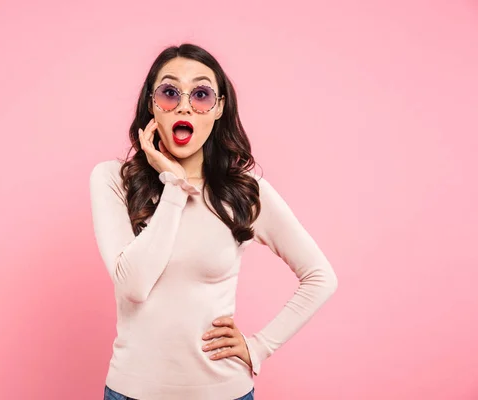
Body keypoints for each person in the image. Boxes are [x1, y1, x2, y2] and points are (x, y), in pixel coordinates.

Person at [89, 43, 338, 400]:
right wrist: (174, 186)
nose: (185, 105)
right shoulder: (113, 179)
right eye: (170, 92)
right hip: (131, 392)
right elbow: (134, 286)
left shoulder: (245, 192)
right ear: (151, 105)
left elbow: (320, 277)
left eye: (202, 94)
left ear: (219, 107)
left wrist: (259, 347)